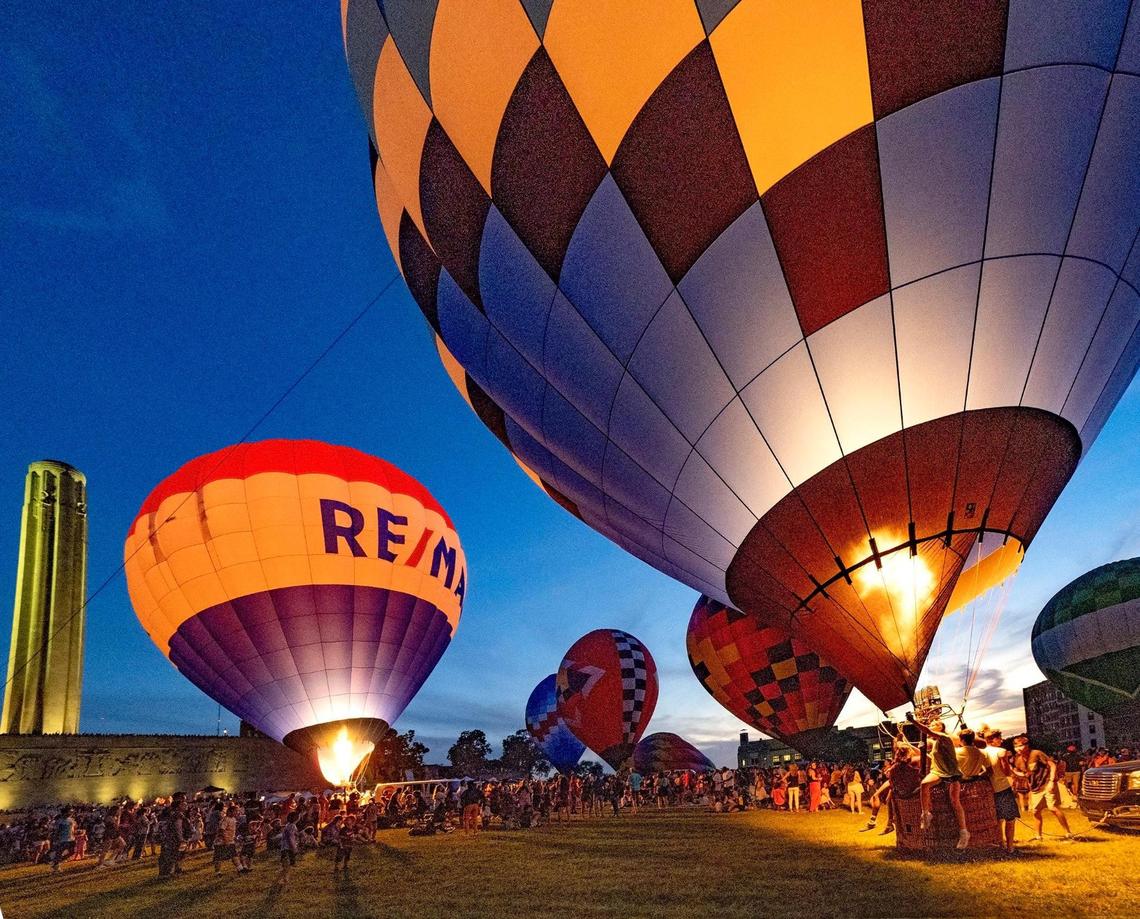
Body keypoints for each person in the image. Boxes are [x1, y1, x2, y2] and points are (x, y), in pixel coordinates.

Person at [909, 715, 969, 849]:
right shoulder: (936, 743)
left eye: (934, 724)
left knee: (955, 802)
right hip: (938, 772)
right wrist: (908, 743)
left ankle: (964, 833)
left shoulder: (944, 737)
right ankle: (926, 814)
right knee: (924, 784)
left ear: (941, 727)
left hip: (951, 773)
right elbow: (926, 754)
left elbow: (927, 731)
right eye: (931, 724)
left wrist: (913, 721)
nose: (931, 725)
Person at [1011, 734, 1072, 842]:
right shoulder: (1018, 760)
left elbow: (1052, 765)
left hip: (1047, 783)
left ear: (1027, 745)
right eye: (1016, 746)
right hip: (1035, 788)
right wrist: (1014, 771)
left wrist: (1052, 781)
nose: (1018, 748)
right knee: (1035, 811)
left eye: (1020, 745)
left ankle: (1068, 833)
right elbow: (1022, 773)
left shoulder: (1036, 753)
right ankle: (1038, 836)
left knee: (1053, 808)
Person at [982, 729, 1018, 854]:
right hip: (1003, 787)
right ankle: (1010, 847)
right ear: (993, 739)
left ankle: (1000, 844)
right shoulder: (1001, 751)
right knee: (1010, 819)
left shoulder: (982, 752)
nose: (1001, 740)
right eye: (999, 738)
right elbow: (1006, 771)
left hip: (989, 789)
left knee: (997, 819)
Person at [213, 805, 241, 875]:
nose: (237, 813)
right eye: (236, 811)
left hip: (230, 840)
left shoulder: (233, 819)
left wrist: (233, 837)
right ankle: (217, 872)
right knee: (218, 857)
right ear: (230, 811)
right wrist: (225, 840)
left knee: (234, 854)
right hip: (221, 842)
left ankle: (240, 869)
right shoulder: (226, 819)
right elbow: (222, 830)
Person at [49, 807, 77, 872]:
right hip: (62, 839)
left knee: (72, 852)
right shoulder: (60, 821)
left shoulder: (72, 820)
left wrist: (75, 833)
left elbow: (73, 829)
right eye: (70, 812)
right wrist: (56, 838)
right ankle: (56, 865)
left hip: (71, 839)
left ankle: (56, 862)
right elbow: (57, 831)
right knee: (59, 852)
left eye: (71, 812)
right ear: (64, 813)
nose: (71, 813)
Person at [277, 812, 301, 887]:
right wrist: (294, 847)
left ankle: (283, 878)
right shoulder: (292, 826)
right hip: (288, 848)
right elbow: (291, 837)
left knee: (285, 864)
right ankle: (284, 879)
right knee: (287, 864)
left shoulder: (288, 825)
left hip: (284, 847)